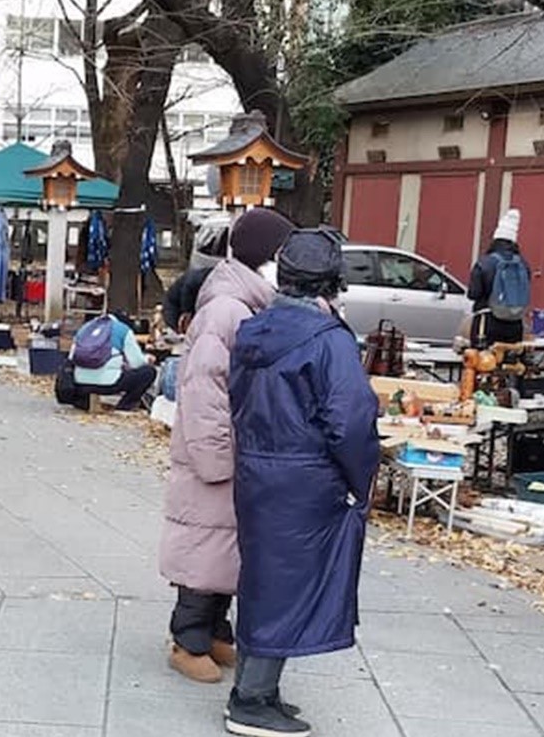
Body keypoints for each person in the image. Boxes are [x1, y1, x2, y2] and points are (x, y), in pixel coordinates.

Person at [226, 228, 380, 737]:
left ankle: (257, 690)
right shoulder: (328, 340)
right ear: (331, 283)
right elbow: (351, 419)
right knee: (289, 587)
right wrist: (362, 481)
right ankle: (249, 701)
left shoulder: (254, 329)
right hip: (305, 477)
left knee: (263, 579)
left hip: (256, 470)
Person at [158, 207, 295, 685]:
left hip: (232, 450)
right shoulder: (227, 309)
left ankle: (215, 630)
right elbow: (203, 390)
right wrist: (217, 457)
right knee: (204, 547)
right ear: (264, 258)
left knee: (225, 549)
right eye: (281, 255)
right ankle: (187, 638)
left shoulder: (248, 302)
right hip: (213, 453)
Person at [68, 311, 157, 411]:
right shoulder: (122, 329)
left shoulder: (86, 327)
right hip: (108, 385)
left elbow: (71, 357)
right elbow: (137, 363)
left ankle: (82, 402)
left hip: (79, 384)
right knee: (148, 372)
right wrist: (147, 359)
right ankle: (125, 405)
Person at [467, 207, 530, 347]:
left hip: (487, 323)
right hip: (515, 325)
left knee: (483, 364)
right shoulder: (523, 264)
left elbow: (473, 294)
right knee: (511, 365)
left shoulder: (484, 263)